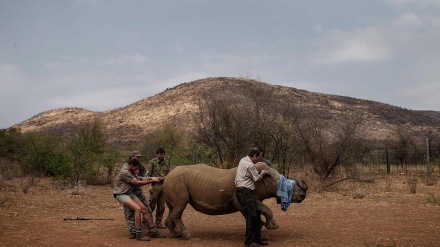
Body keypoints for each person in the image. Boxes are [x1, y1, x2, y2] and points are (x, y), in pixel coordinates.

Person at [113, 159, 161, 241]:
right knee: (137, 209)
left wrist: (151, 178)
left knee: (144, 209)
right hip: (121, 194)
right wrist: (152, 181)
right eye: (135, 168)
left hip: (128, 193)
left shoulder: (131, 171)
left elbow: (139, 178)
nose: (136, 170)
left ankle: (153, 231)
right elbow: (137, 183)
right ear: (131, 166)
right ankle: (139, 233)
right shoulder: (125, 172)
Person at [235, 147, 268, 247]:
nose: (259, 160)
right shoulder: (249, 165)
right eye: (258, 158)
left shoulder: (243, 160)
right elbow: (257, 179)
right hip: (244, 192)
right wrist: (263, 172)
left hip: (244, 191)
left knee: (256, 214)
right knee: (251, 216)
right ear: (254, 156)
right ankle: (249, 242)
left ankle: (257, 239)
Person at [147, 147, 169, 229]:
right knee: (151, 205)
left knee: (162, 206)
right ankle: (145, 221)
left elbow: (168, 174)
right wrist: (149, 186)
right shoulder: (152, 162)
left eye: (162, 154)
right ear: (157, 154)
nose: (161, 156)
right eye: (159, 154)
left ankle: (158, 222)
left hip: (163, 186)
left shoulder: (166, 162)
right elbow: (148, 175)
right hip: (155, 186)